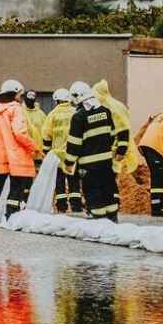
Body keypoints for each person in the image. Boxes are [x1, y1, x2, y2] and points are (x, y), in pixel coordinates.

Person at [0, 80, 37, 226]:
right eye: (20, 94)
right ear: (14, 93)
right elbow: (19, 132)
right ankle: (10, 217)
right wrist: (33, 147)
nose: (21, 97)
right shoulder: (15, 108)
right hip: (16, 156)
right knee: (16, 189)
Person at [64, 82, 119, 222]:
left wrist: (69, 162)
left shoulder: (79, 117)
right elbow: (112, 135)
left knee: (93, 192)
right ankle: (112, 218)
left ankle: (99, 220)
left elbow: (74, 143)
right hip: (106, 163)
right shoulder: (105, 112)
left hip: (89, 165)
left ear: (78, 96)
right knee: (108, 190)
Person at [91, 80, 137, 208]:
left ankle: (111, 203)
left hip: (114, 148)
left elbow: (122, 128)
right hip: (112, 148)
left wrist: (121, 149)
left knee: (108, 177)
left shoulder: (110, 107)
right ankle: (111, 202)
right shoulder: (115, 105)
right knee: (110, 177)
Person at [42, 88, 82, 213]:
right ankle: (76, 207)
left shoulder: (52, 114)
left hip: (57, 154)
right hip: (73, 152)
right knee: (73, 180)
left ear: (56, 100)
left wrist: (46, 151)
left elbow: (46, 135)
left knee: (59, 181)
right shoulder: (75, 112)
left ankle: (61, 207)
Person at [21, 89, 48, 173]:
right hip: (24, 152)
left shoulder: (41, 114)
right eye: (29, 96)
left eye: (33, 96)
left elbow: (46, 132)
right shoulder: (20, 112)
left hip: (38, 152)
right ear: (25, 97)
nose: (31, 98)